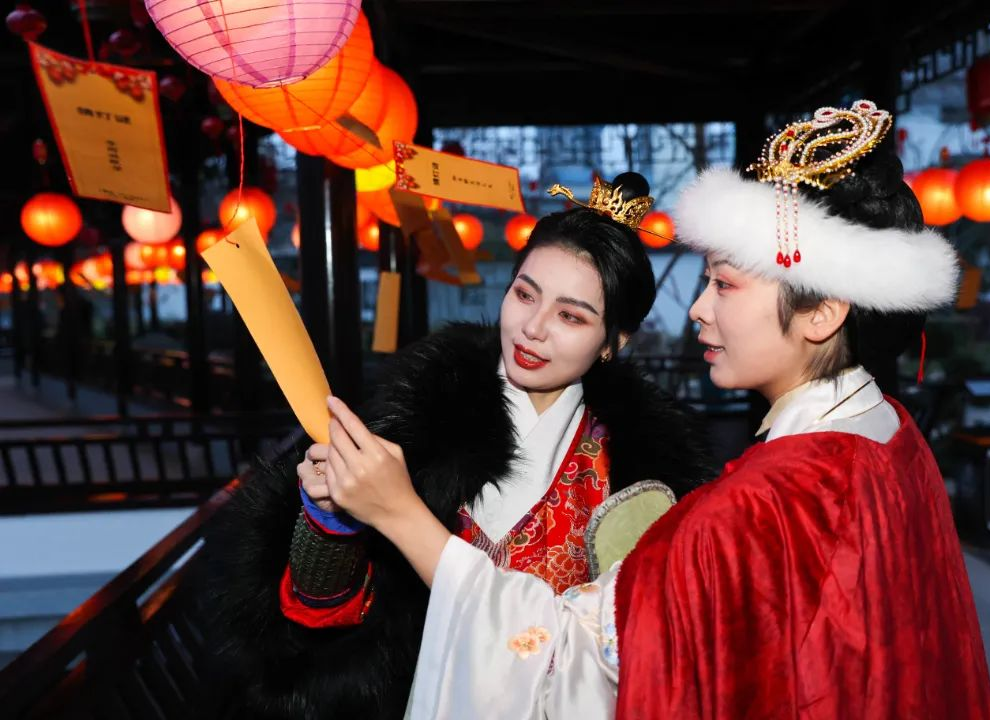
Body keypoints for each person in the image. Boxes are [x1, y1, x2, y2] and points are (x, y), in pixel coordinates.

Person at [319, 100, 990, 719]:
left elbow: (568, 659)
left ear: (822, 312)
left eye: (724, 284)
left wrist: (401, 515)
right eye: (523, 294)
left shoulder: (753, 503)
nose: (698, 309)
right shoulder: (886, 433)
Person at [200, 172, 716, 720]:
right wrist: (330, 520)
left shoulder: (641, 477)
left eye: (570, 315)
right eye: (524, 294)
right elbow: (321, 619)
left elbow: (626, 658)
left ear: (614, 342)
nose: (533, 328)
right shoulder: (420, 415)